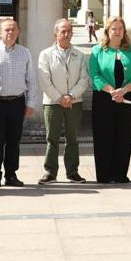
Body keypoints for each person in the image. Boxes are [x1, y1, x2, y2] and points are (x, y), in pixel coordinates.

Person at [89, 16, 131, 183]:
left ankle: (120, 174)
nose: (117, 31)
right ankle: (104, 175)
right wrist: (112, 91)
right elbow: (95, 75)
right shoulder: (98, 50)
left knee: (124, 135)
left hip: (126, 98)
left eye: (120, 28)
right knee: (104, 136)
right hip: (104, 99)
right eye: (113, 28)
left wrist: (124, 90)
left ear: (124, 31)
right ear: (107, 31)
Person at [0, 18, 38, 188]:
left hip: (17, 102)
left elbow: (31, 80)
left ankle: (11, 174)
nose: (10, 32)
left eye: (13, 29)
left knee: (14, 141)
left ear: (18, 32)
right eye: (6, 29)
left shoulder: (25, 52)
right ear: (0, 32)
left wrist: (30, 103)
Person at [37, 18, 89, 183]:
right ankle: (50, 172)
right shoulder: (45, 55)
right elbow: (45, 80)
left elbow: (84, 79)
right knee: (52, 138)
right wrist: (59, 98)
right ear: (56, 34)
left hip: (74, 102)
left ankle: (72, 171)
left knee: (72, 138)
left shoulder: (79, 55)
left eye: (69, 31)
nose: (66, 34)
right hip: (53, 103)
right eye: (63, 31)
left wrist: (71, 96)